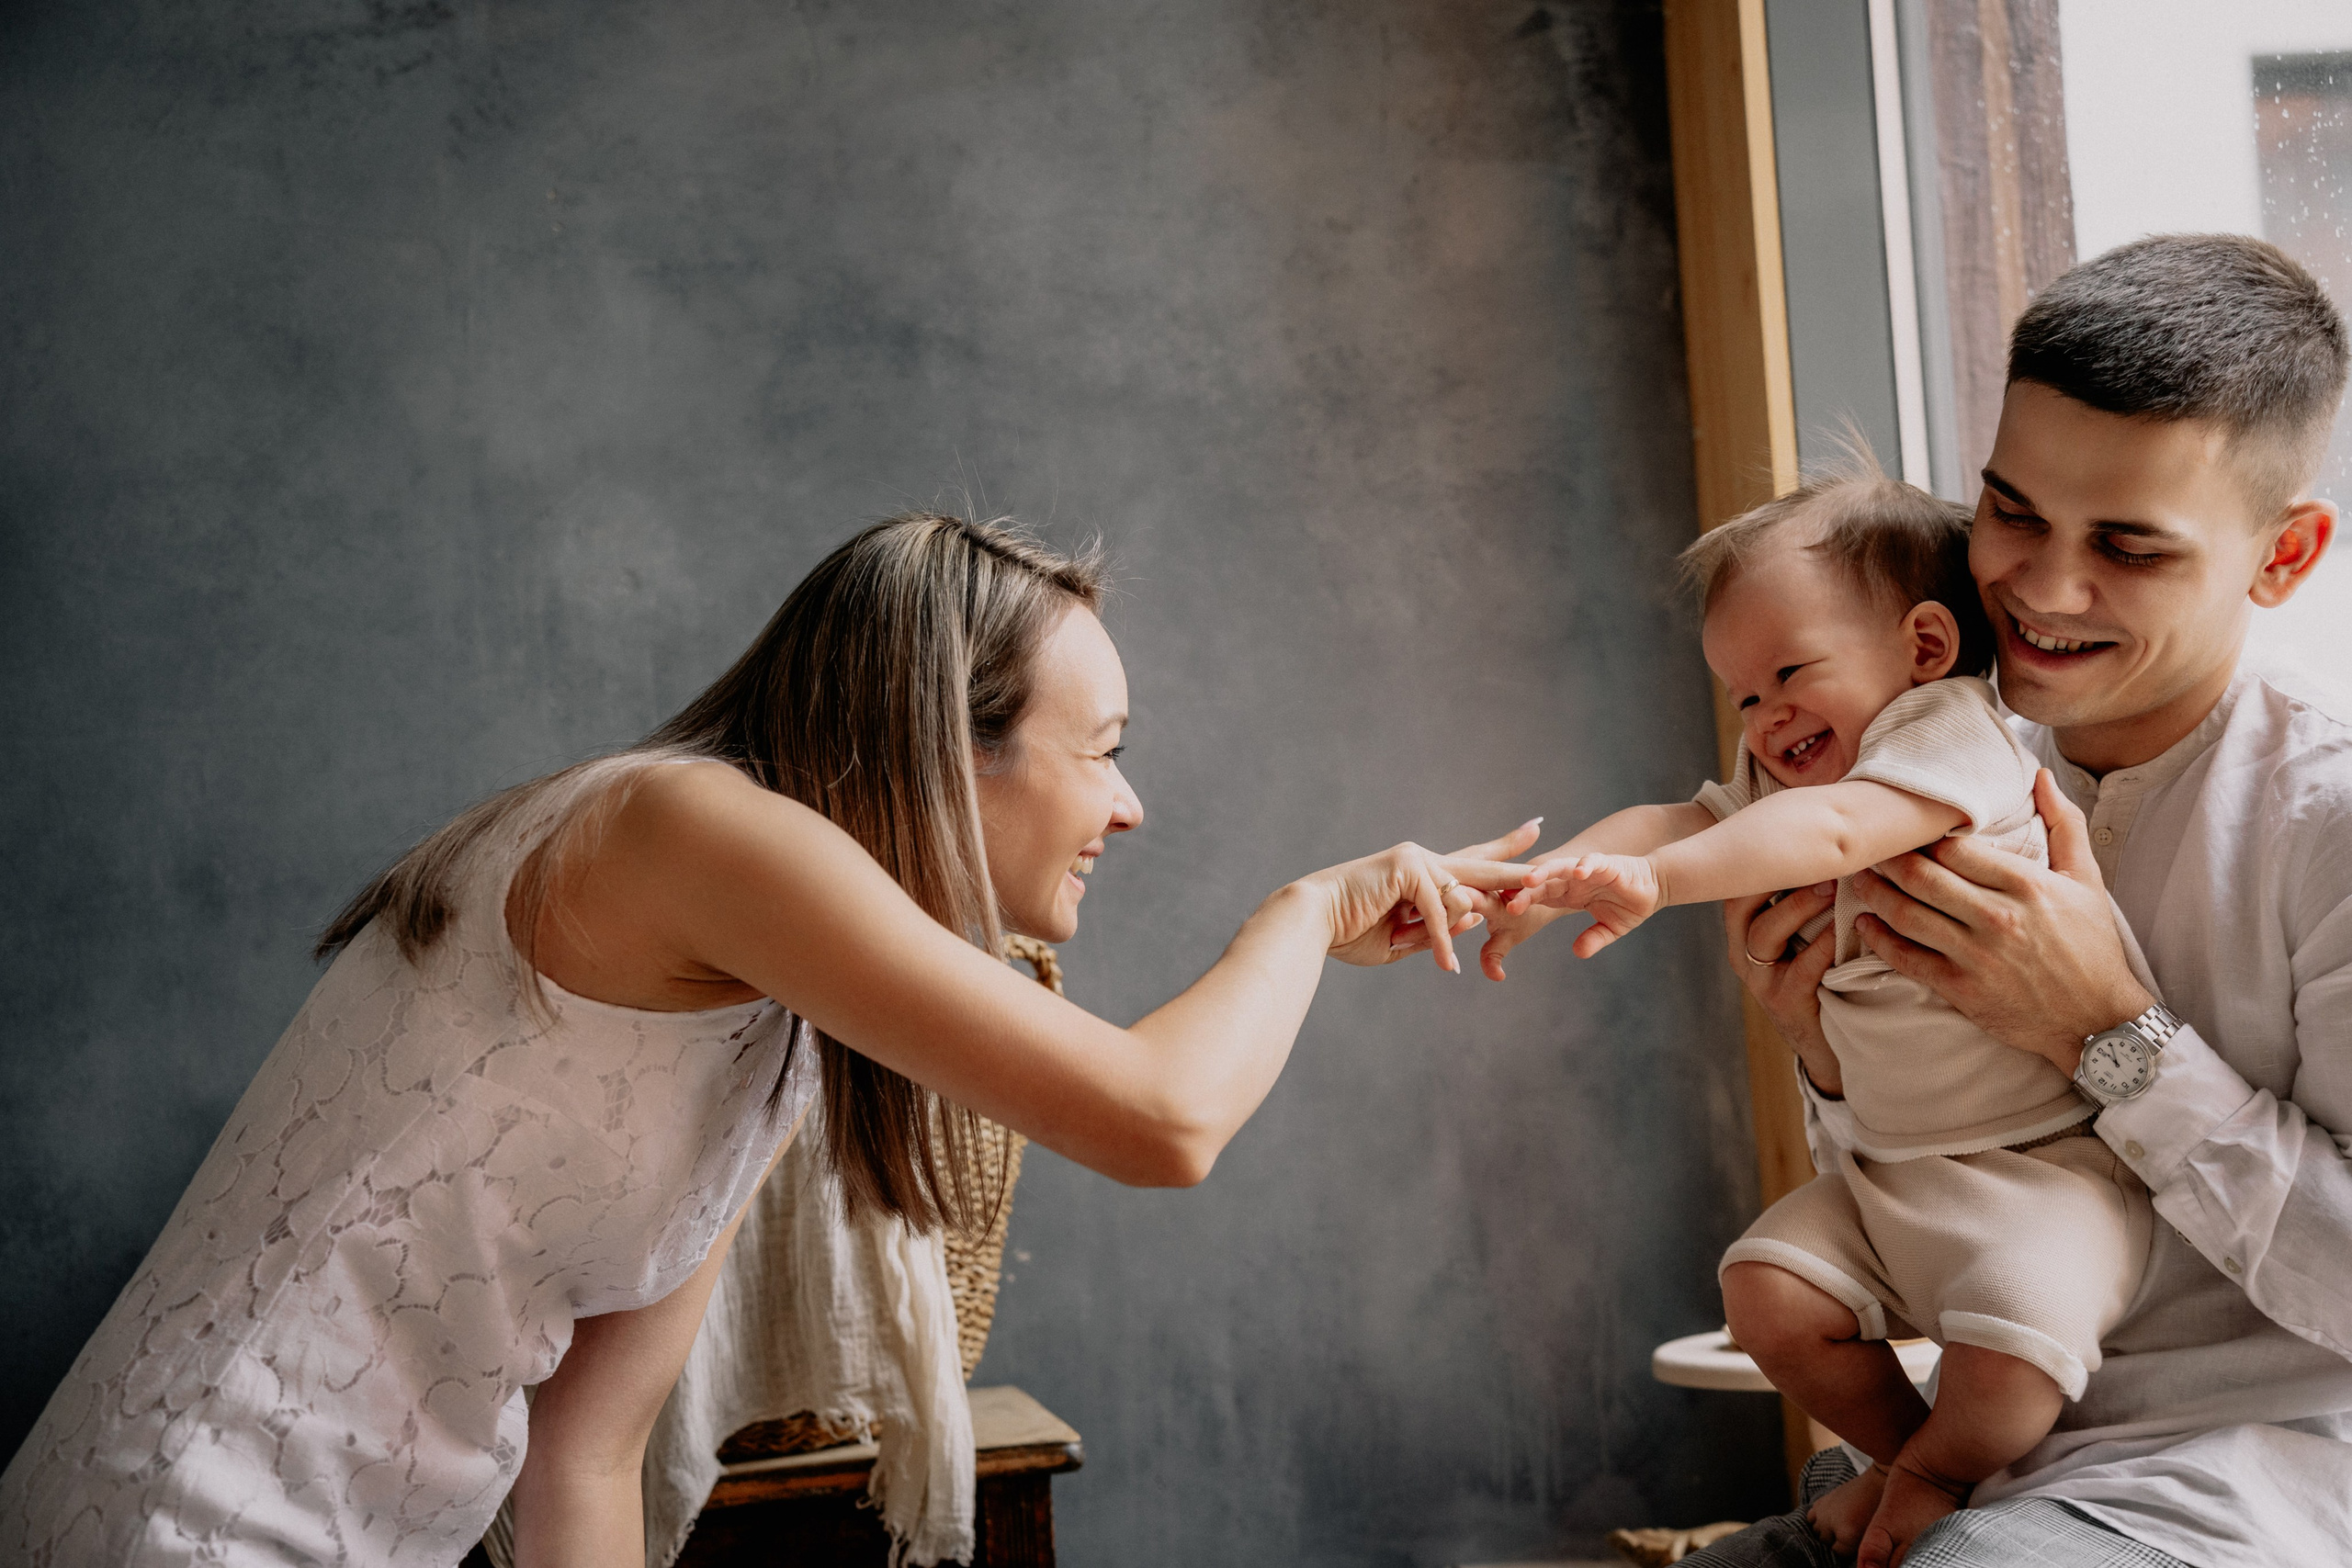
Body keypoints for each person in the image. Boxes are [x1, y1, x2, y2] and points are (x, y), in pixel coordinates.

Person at [0, 513, 1538, 1568]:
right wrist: (1313, 907)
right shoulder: (683, 825)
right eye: (1106, 754)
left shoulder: (771, 1027)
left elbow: (584, 1455)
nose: (1127, 808)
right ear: (946, 739)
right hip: (187, 1521)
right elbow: (1164, 1120)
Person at [1498, 233, 2352, 1568]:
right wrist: (1827, 1061)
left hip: (2221, 1493)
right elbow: (1938, 1171)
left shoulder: (2328, 823)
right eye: (2012, 511)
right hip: (1977, 1462)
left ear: (2285, 555)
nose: (2041, 588)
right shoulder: (1909, 732)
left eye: (2126, 546)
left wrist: (2112, 1032)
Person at [1509, 469, 2159, 1564]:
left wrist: (1662, 885)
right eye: (1742, 697)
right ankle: (1914, 1463)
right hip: (1884, 1176)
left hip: (2040, 1172)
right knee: (1762, 1296)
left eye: (1788, 673)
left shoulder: (1946, 736)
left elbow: (1834, 834)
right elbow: (1682, 813)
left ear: (1921, 646)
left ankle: (1944, 1472)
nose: (1764, 720)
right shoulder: (1787, 775)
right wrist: (1564, 872)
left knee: (2014, 1362)